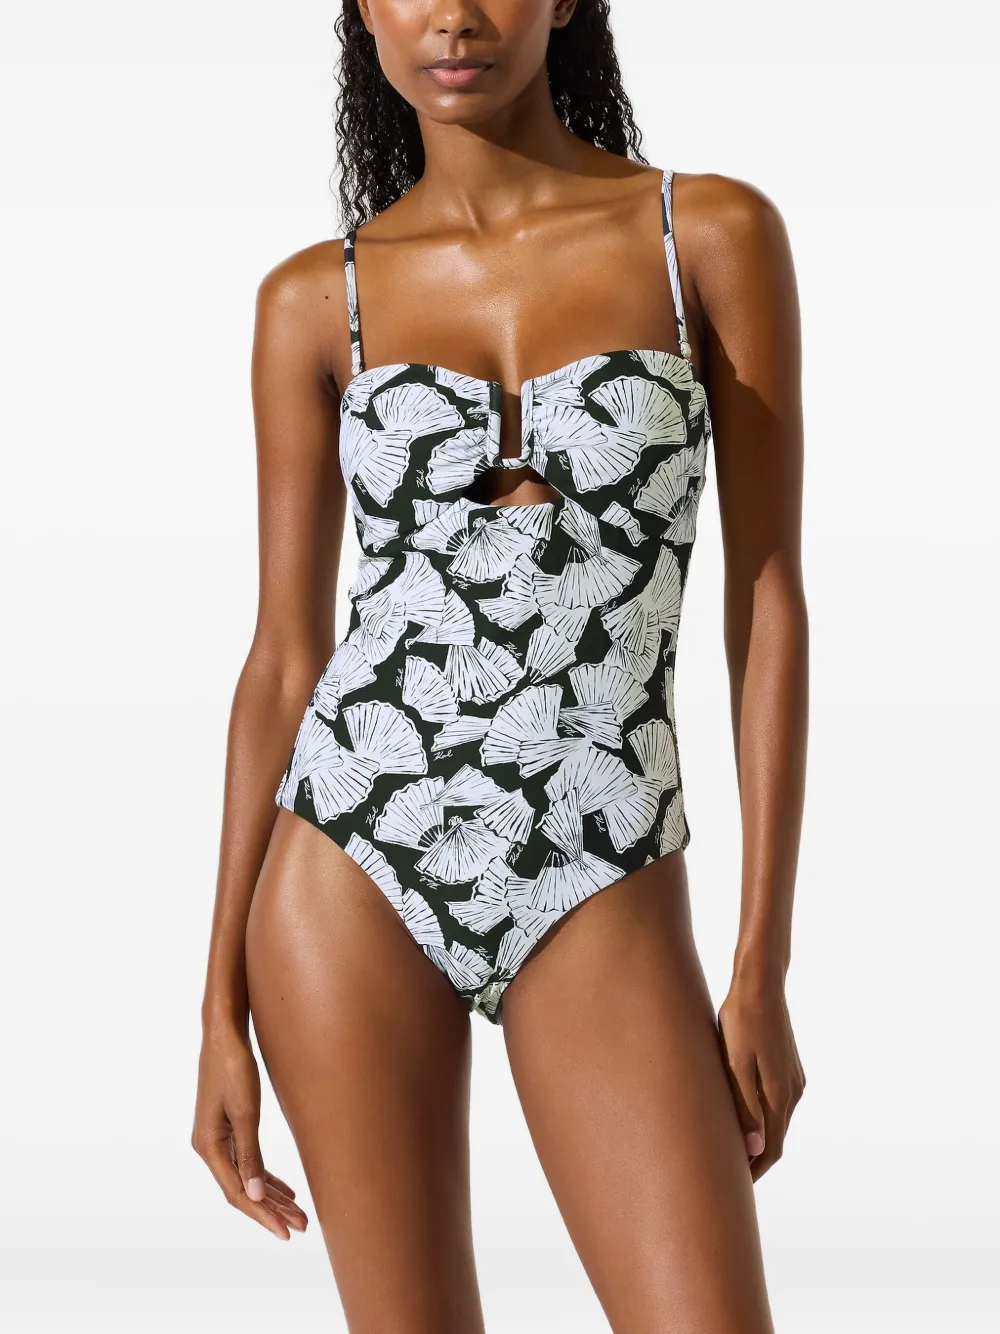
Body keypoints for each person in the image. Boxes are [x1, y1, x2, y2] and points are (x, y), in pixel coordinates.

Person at [193, 2, 808, 1329]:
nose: (454, 15)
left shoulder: (705, 234)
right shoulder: (315, 299)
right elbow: (285, 656)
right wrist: (214, 1009)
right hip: (350, 855)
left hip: (602, 849)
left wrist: (761, 957)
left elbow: (766, 599)